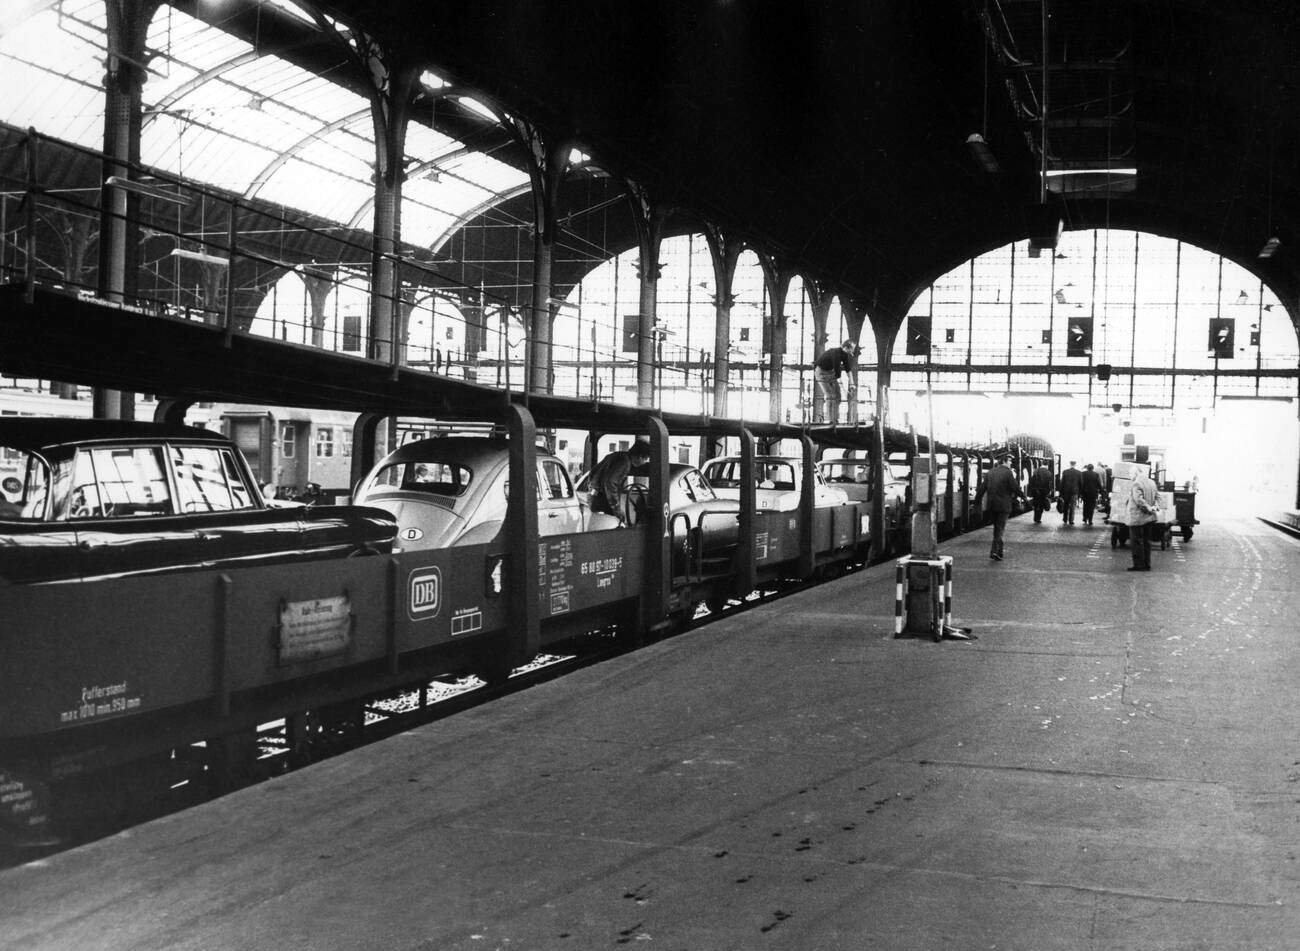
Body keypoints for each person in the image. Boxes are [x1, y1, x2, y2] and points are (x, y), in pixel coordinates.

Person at [973, 456, 1027, 561]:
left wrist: (977, 502)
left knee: (997, 529)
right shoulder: (1008, 472)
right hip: (1004, 506)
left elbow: (982, 489)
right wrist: (1024, 497)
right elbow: (1015, 487)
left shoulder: (990, 472)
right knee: (1000, 529)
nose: (1011, 463)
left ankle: (1000, 552)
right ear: (1004, 462)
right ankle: (994, 551)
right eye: (1010, 461)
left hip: (992, 505)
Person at [587, 440, 652, 525]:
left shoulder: (616, 456)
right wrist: (616, 508)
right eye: (645, 459)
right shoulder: (625, 463)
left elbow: (592, 473)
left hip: (595, 496)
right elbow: (610, 483)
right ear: (640, 457)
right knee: (612, 524)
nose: (645, 462)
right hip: (602, 499)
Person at [813, 340, 858, 424]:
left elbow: (848, 369)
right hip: (821, 373)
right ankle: (831, 420)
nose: (853, 351)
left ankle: (835, 419)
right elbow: (837, 373)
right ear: (846, 347)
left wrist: (852, 384)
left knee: (838, 395)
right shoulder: (836, 353)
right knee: (831, 395)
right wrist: (844, 387)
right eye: (852, 349)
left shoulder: (844, 354)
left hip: (830, 373)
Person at [1126, 467, 1160, 571]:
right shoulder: (1151, 482)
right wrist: (1155, 507)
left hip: (1138, 518)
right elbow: (1158, 497)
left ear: (1135, 473)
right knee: (1146, 541)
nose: (1130, 476)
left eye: (1130, 474)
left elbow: (1139, 500)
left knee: (1136, 542)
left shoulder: (1136, 483)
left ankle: (1139, 565)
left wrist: (1149, 508)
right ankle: (1147, 564)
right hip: (1149, 518)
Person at [1058, 460, 1082, 525]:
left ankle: (1065, 519)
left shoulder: (1065, 472)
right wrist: (1080, 493)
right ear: (1075, 464)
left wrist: (1061, 492)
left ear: (1070, 464)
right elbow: (1080, 484)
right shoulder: (1079, 473)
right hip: (1074, 492)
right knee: (1073, 507)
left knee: (1065, 506)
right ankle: (1071, 520)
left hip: (1066, 492)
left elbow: (1062, 483)